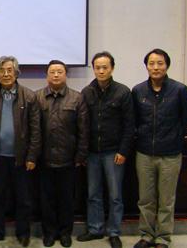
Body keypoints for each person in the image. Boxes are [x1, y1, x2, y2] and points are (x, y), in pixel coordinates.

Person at [132, 49, 187, 248]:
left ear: (167, 65)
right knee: (146, 199)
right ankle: (146, 235)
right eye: (151, 63)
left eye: (160, 63)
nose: (156, 67)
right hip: (144, 153)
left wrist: (175, 137)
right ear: (147, 66)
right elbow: (135, 119)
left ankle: (163, 238)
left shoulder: (180, 90)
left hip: (170, 154)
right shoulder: (138, 91)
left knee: (166, 200)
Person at [76, 52, 134, 248]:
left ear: (112, 68)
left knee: (115, 196)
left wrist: (123, 151)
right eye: (97, 68)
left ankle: (114, 232)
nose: (101, 71)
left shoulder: (123, 92)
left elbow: (129, 125)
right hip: (92, 153)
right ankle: (95, 229)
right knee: (93, 194)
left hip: (114, 153)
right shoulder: (87, 92)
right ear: (93, 69)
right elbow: (82, 125)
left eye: (105, 67)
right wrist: (83, 152)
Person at [0, 56, 41, 248]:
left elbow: (36, 130)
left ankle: (23, 234)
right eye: (2, 71)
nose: (6, 74)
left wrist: (32, 156)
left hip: (22, 159)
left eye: (10, 70)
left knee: (23, 199)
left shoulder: (29, 96)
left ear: (16, 73)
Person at [36, 60, 89, 248]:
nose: (56, 75)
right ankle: (49, 233)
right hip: (44, 159)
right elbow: (33, 130)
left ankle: (65, 233)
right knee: (47, 200)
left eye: (60, 72)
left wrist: (80, 156)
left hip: (68, 159)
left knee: (67, 199)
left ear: (66, 75)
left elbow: (83, 130)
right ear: (47, 75)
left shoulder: (77, 98)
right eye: (52, 72)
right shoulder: (38, 97)